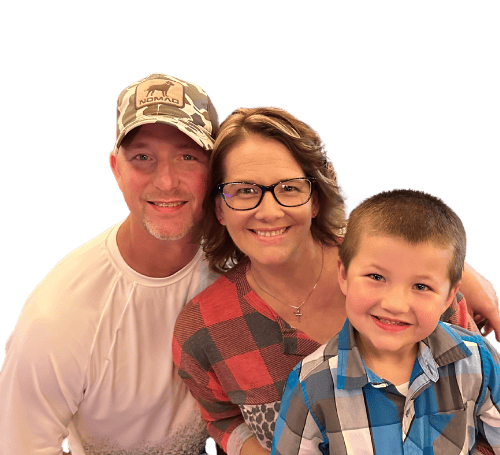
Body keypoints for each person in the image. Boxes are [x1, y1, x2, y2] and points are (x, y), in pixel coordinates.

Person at [173, 106, 499, 455]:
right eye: (243, 191)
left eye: (290, 187)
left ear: (315, 200)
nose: (268, 211)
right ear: (220, 208)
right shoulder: (202, 331)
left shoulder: (408, 278)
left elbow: (479, 403)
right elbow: (221, 418)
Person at [0, 72, 221, 454]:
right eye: (142, 158)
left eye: (188, 156)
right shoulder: (58, 315)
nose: (166, 182)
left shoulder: (244, 264)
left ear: (216, 170)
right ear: (116, 168)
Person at [272, 188, 500, 455]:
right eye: (376, 277)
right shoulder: (310, 384)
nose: (395, 304)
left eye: (421, 286)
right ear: (344, 275)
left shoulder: (477, 361)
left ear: (449, 296)